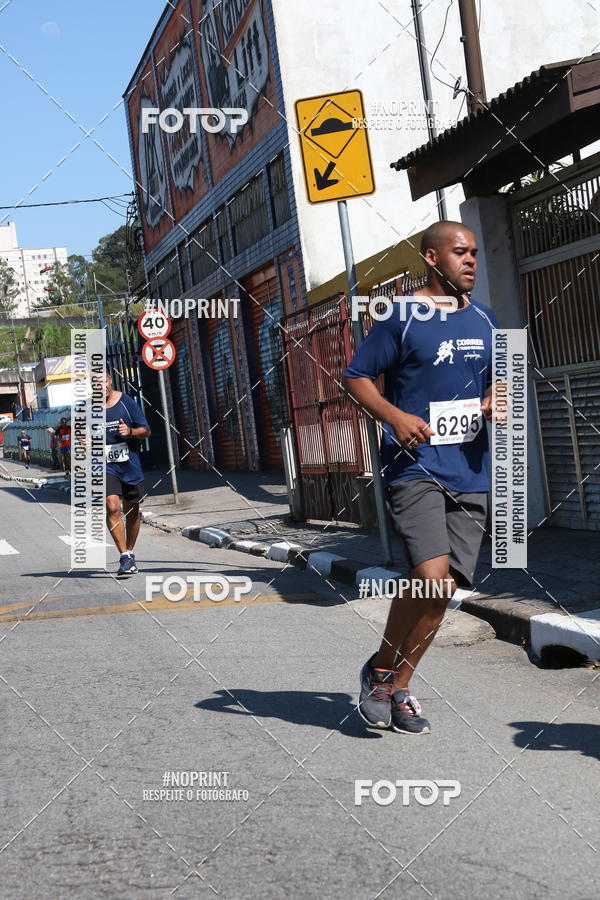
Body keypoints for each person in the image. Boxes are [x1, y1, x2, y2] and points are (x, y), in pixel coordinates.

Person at [343, 221, 499, 735]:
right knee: (430, 579)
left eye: (474, 252)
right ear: (432, 259)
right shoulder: (401, 317)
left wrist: (496, 400)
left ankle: (395, 682)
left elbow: (503, 380)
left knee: (442, 594)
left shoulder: (484, 319)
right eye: (460, 252)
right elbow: (356, 377)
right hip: (416, 468)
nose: (470, 260)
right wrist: (394, 416)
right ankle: (382, 671)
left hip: (470, 470)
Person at [101, 372, 151, 577]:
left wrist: (130, 432)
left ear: (109, 380)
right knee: (112, 506)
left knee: (132, 510)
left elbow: (146, 430)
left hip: (129, 463)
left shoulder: (126, 402)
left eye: (102, 381)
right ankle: (124, 555)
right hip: (104, 465)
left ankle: (129, 551)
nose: (99, 386)